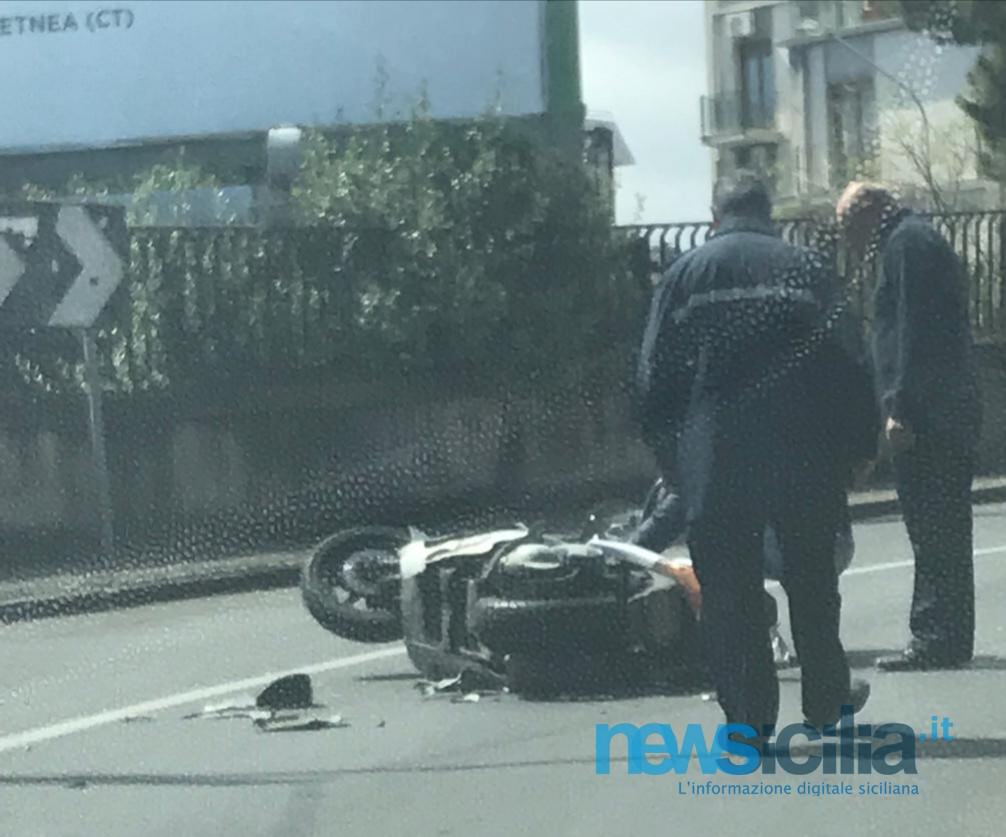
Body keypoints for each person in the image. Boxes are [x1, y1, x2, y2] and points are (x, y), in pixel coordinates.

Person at [635, 169, 878, 742]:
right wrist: (860, 444)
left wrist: (670, 456)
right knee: (814, 586)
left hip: (717, 460)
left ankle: (748, 722)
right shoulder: (807, 272)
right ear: (769, 215)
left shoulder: (686, 276)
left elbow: (654, 375)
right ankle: (823, 706)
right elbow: (849, 361)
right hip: (805, 456)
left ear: (713, 216)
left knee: (730, 596)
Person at [837, 182, 982, 671]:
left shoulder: (906, 245)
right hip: (943, 409)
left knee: (932, 527)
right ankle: (948, 635)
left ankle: (935, 636)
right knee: (942, 528)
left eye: (846, 224)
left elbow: (912, 331)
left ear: (869, 210)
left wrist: (900, 406)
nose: (846, 237)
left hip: (929, 413)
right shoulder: (915, 240)